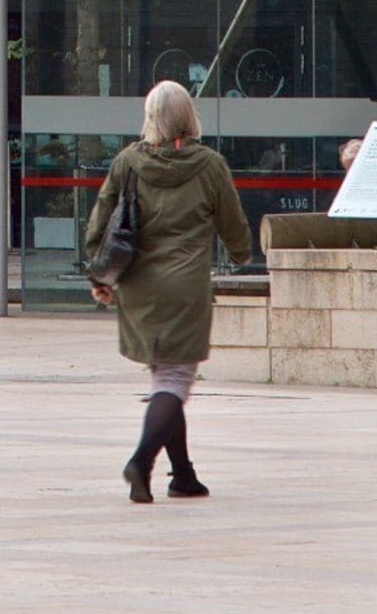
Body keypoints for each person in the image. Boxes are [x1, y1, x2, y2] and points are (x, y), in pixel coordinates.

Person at [83, 80, 257, 505]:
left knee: (166, 376)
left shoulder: (127, 162)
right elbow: (233, 225)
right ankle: (141, 460)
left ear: (150, 117)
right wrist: (242, 254)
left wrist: (100, 277)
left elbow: (101, 222)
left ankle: (183, 474)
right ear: (188, 115)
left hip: (138, 286)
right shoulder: (210, 165)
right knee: (174, 379)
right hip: (186, 286)